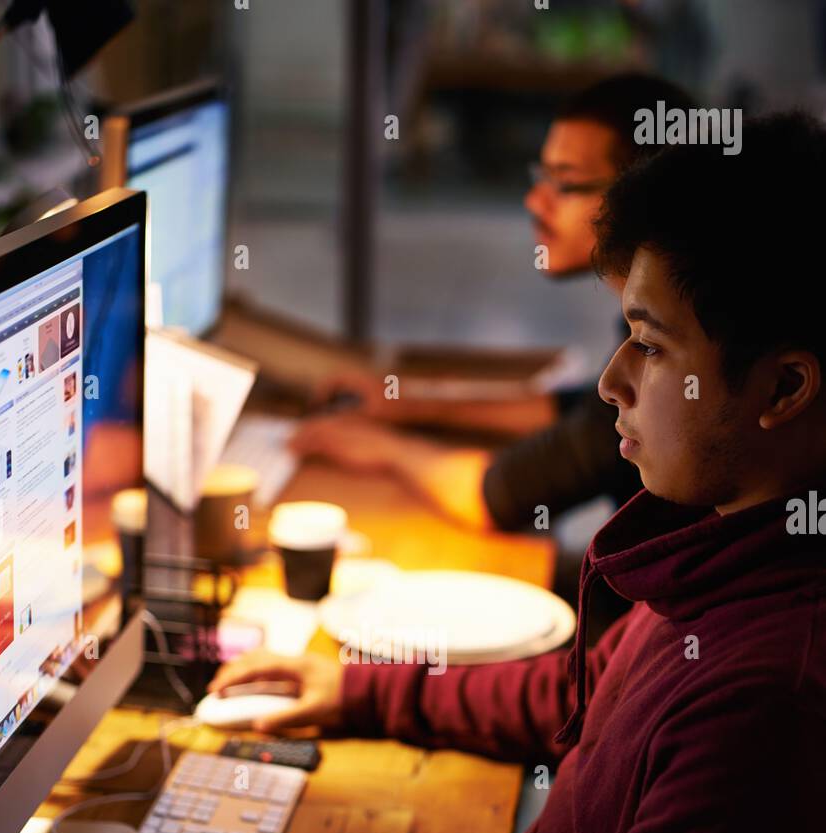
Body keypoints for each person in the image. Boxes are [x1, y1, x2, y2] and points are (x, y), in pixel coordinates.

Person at [57, 112, 826, 833]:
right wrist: (360, 688)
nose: (612, 381)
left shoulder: (772, 688)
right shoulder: (731, 545)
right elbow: (584, 694)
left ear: (781, 389)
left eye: (646, 341)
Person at [290, 73, 693, 536]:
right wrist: (416, 406)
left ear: (639, 195)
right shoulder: (654, 322)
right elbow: (576, 412)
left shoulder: (664, 357)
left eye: (565, 184)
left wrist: (380, 448)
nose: (534, 201)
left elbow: (498, 495)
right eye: (539, 177)